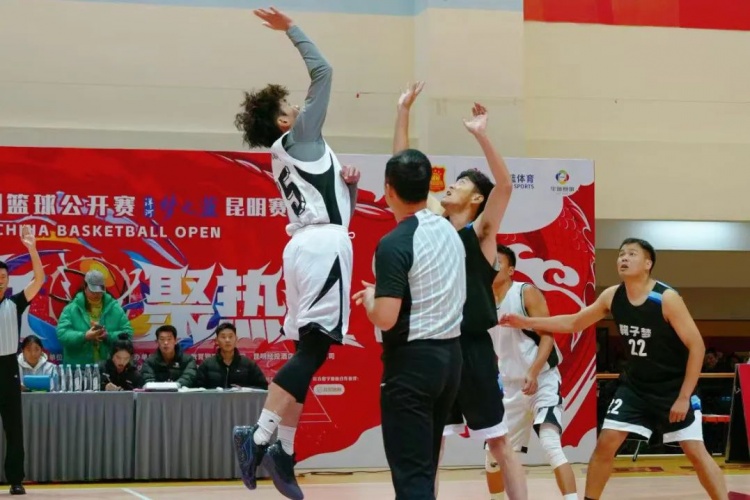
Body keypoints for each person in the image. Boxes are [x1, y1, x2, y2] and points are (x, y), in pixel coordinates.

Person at [232, 8, 360, 499]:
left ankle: (284, 448)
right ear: (285, 119)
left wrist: (349, 189)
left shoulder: (284, 155)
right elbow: (324, 71)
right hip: (323, 247)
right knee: (314, 351)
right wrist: (292, 30)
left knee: (308, 351)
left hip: (305, 246)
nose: (300, 108)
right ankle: (260, 436)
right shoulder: (302, 134)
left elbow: (331, 207)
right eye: (292, 107)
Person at [499, 238, 728, 500]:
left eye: (632, 254)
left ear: (648, 264)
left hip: (673, 388)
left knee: (695, 451)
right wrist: (526, 321)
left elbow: (697, 346)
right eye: (621, 254)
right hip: (636, 388)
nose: (624, 258)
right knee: (606, 443)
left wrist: (684, 396)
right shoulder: (612, 296)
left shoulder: (666, 298)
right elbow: (574, 322)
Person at [394, 83, 526, 499]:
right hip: (436, 344)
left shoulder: (481, 234)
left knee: (499, 442)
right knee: (431, 444)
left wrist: (482, 135)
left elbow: (505, 187)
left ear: (477, 198)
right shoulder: (432, 225)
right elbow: (401, 172)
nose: (450, 186)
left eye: (461, 183)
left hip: (471, 348)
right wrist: (403, 112)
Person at [352, 148, 465, 500]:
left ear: (388, 190)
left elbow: (386, 317)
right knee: (424, 468)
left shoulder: (395, 243)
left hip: (413, 364)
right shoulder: (448, 230)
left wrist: (370, 300)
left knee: (412, 477)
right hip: (450, 359)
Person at [487, 244, 577, 500]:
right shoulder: (483, 300)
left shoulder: (525, 292)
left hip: (542, 380)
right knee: (493, 456)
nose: (492, 267)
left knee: (551, 445)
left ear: (511, 269)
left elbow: (547, 336)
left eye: (498, 262)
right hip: (510, 387)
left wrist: (534, 372)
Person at [0, 226, 44, 495]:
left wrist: (32, 248)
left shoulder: (14, 303)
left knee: (14, 428)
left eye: (3, 276)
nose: (0, 280)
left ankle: (16, 479)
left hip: (7, 368)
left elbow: (39, 279)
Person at [56, 269, 133, 365]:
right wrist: (85, 336)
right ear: (85, 287)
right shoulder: (71, 309)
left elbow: (128, 334)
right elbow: (62, 335)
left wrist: (107, 336)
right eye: (93, 291)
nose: (97, 294)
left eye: (100, 291)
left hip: (109, 366)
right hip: (79, 367)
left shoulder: (115, 308)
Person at [196, 322, 268, 390]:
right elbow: (198, 390)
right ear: (216, 341)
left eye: (230, 337)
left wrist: (243, 390)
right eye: (223, 337)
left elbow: (263, 387)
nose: (227, 340)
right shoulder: (207, 364)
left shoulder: (248, 364)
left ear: (236, 339)